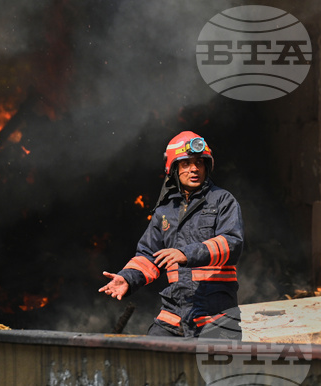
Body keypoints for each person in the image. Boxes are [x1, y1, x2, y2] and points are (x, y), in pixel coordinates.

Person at [99, 131, 244, 338]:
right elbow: (149, 255)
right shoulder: (165, 211)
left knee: (211, 370)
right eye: (186, 163)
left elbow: (232, 243)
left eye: (199, 163)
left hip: (216, 317)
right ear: (173, 168)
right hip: (174, 315)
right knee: (150, 360)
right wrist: (127, 278)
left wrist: (187, 254)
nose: (194, 169)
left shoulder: (222, 201)